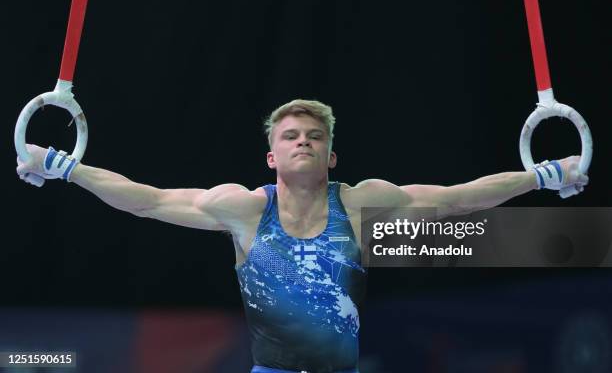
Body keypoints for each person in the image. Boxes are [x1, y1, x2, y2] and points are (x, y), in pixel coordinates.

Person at [16, 99, 589, 373]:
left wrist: (542, 176)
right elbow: (149, 201)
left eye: (315, 136)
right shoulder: (242, 210)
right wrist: (67, 167)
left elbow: (458, 198)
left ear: (332, 153)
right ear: (271, 156)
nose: (304, 142)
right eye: (291, 136)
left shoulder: (361, 202)